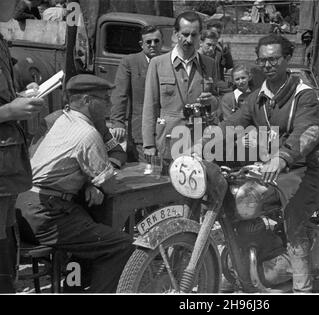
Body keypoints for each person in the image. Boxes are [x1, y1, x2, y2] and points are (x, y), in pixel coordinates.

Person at [218, 34, 319, 292]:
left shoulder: (304, 95)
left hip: (301, 171)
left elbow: (307, 132)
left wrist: (283, 157)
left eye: (274, 59)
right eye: (263, 60)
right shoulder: (256, 98)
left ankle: (302, 286)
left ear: (288, 59)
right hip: (266, 171)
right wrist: (199, 144)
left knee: (293, 217)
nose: (268, 65)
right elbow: (231, 125)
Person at [16, 74, 134, 293]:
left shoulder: (62, 119)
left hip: (25, 208)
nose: (110, 103)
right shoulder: (87, 133)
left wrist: (91, 182)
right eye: (105, 98)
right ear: (87, 100)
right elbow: (110, 187)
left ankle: (75, 288)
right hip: (46, 213)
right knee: (122, 244)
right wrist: (97, 183)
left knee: (90, 227)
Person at [0, 0, 45, 293]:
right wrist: (9, 112)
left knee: (4, 234)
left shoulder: (2, 43)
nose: (17, 3)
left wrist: (18, 98)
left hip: (8, 161)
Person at [142, 11, 219, 162]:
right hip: (169, 143)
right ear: (175, 34)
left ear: (199, 36)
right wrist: (149, 144)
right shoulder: (158, 64)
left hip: (199, 144)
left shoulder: (209, 64)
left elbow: (217, 103)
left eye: (194, 35)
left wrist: (212, 101)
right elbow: (150, 106)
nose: (189, 40)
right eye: (184, 34)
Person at [110, 25, 163, 162]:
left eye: (156, 41)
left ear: (162, 42)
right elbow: (120, 94)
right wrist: (118, 122)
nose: (153, 45)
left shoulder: (168, 63)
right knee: (144, 170)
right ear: (141, 44)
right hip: (139, 130)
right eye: (148, 42)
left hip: (164, 130)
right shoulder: (130, 62)